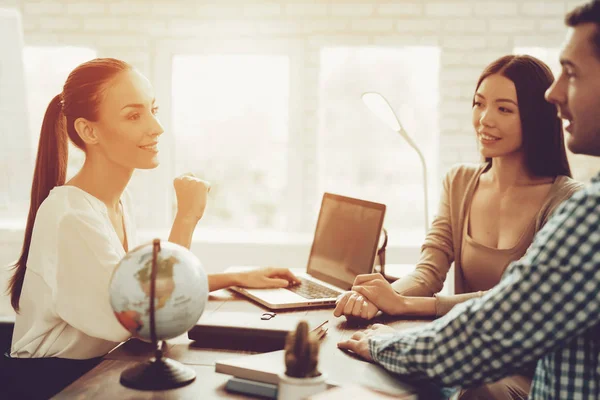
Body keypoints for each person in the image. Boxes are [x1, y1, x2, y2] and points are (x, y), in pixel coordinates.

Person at [337, 1, 600, 398]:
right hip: (474, 355)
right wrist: (379, 301)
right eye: (478, 103)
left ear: (532, 117)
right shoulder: (460, 180)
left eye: (504, 108)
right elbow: (430, 269)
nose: (555, 94)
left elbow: (504, 313)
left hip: (506, 371)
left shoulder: (579, 208)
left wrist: (400, 315)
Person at [2, 58, 299, 397]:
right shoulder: (72, 217)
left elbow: (134, 292)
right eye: (134, 115)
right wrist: (186, 217)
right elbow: (151, 320)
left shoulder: (114, 201)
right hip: (54, 386)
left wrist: (235, 278)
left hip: (97, 370)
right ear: (88, 131)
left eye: (153, 109)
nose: (156, 127)